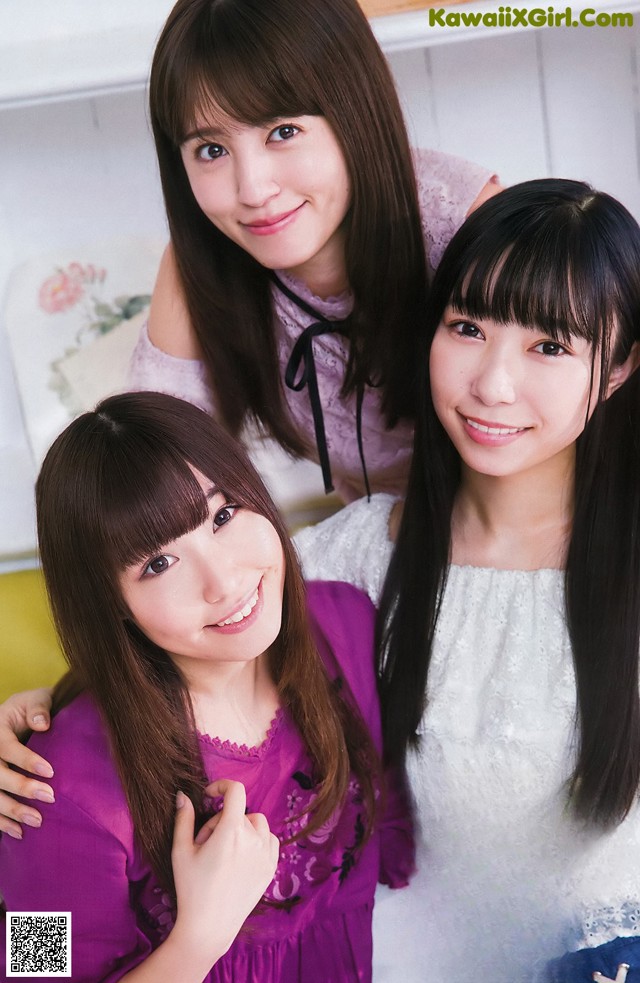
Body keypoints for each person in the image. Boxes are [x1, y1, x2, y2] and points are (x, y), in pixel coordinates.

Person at [296, 178, 640, 981]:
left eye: (550, 346)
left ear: (620, 368)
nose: (492, 383)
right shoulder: (354, 558)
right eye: (466, 326)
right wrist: (34, 717)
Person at [0, 392, 413, 982]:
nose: (223, 582)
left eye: (223, 517)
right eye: (158, 565)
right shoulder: (51, 795)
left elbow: (391, 820)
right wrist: (199, 937)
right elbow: (30, 973)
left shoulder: (345, 624)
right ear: (109, 605)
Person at [128, 0, 499, 502]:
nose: (254, 190)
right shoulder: (199, 264)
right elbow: (155, 468)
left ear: (355, 116)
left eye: (283, 132)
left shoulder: (466, 224)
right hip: (371, 530)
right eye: (211, 150)